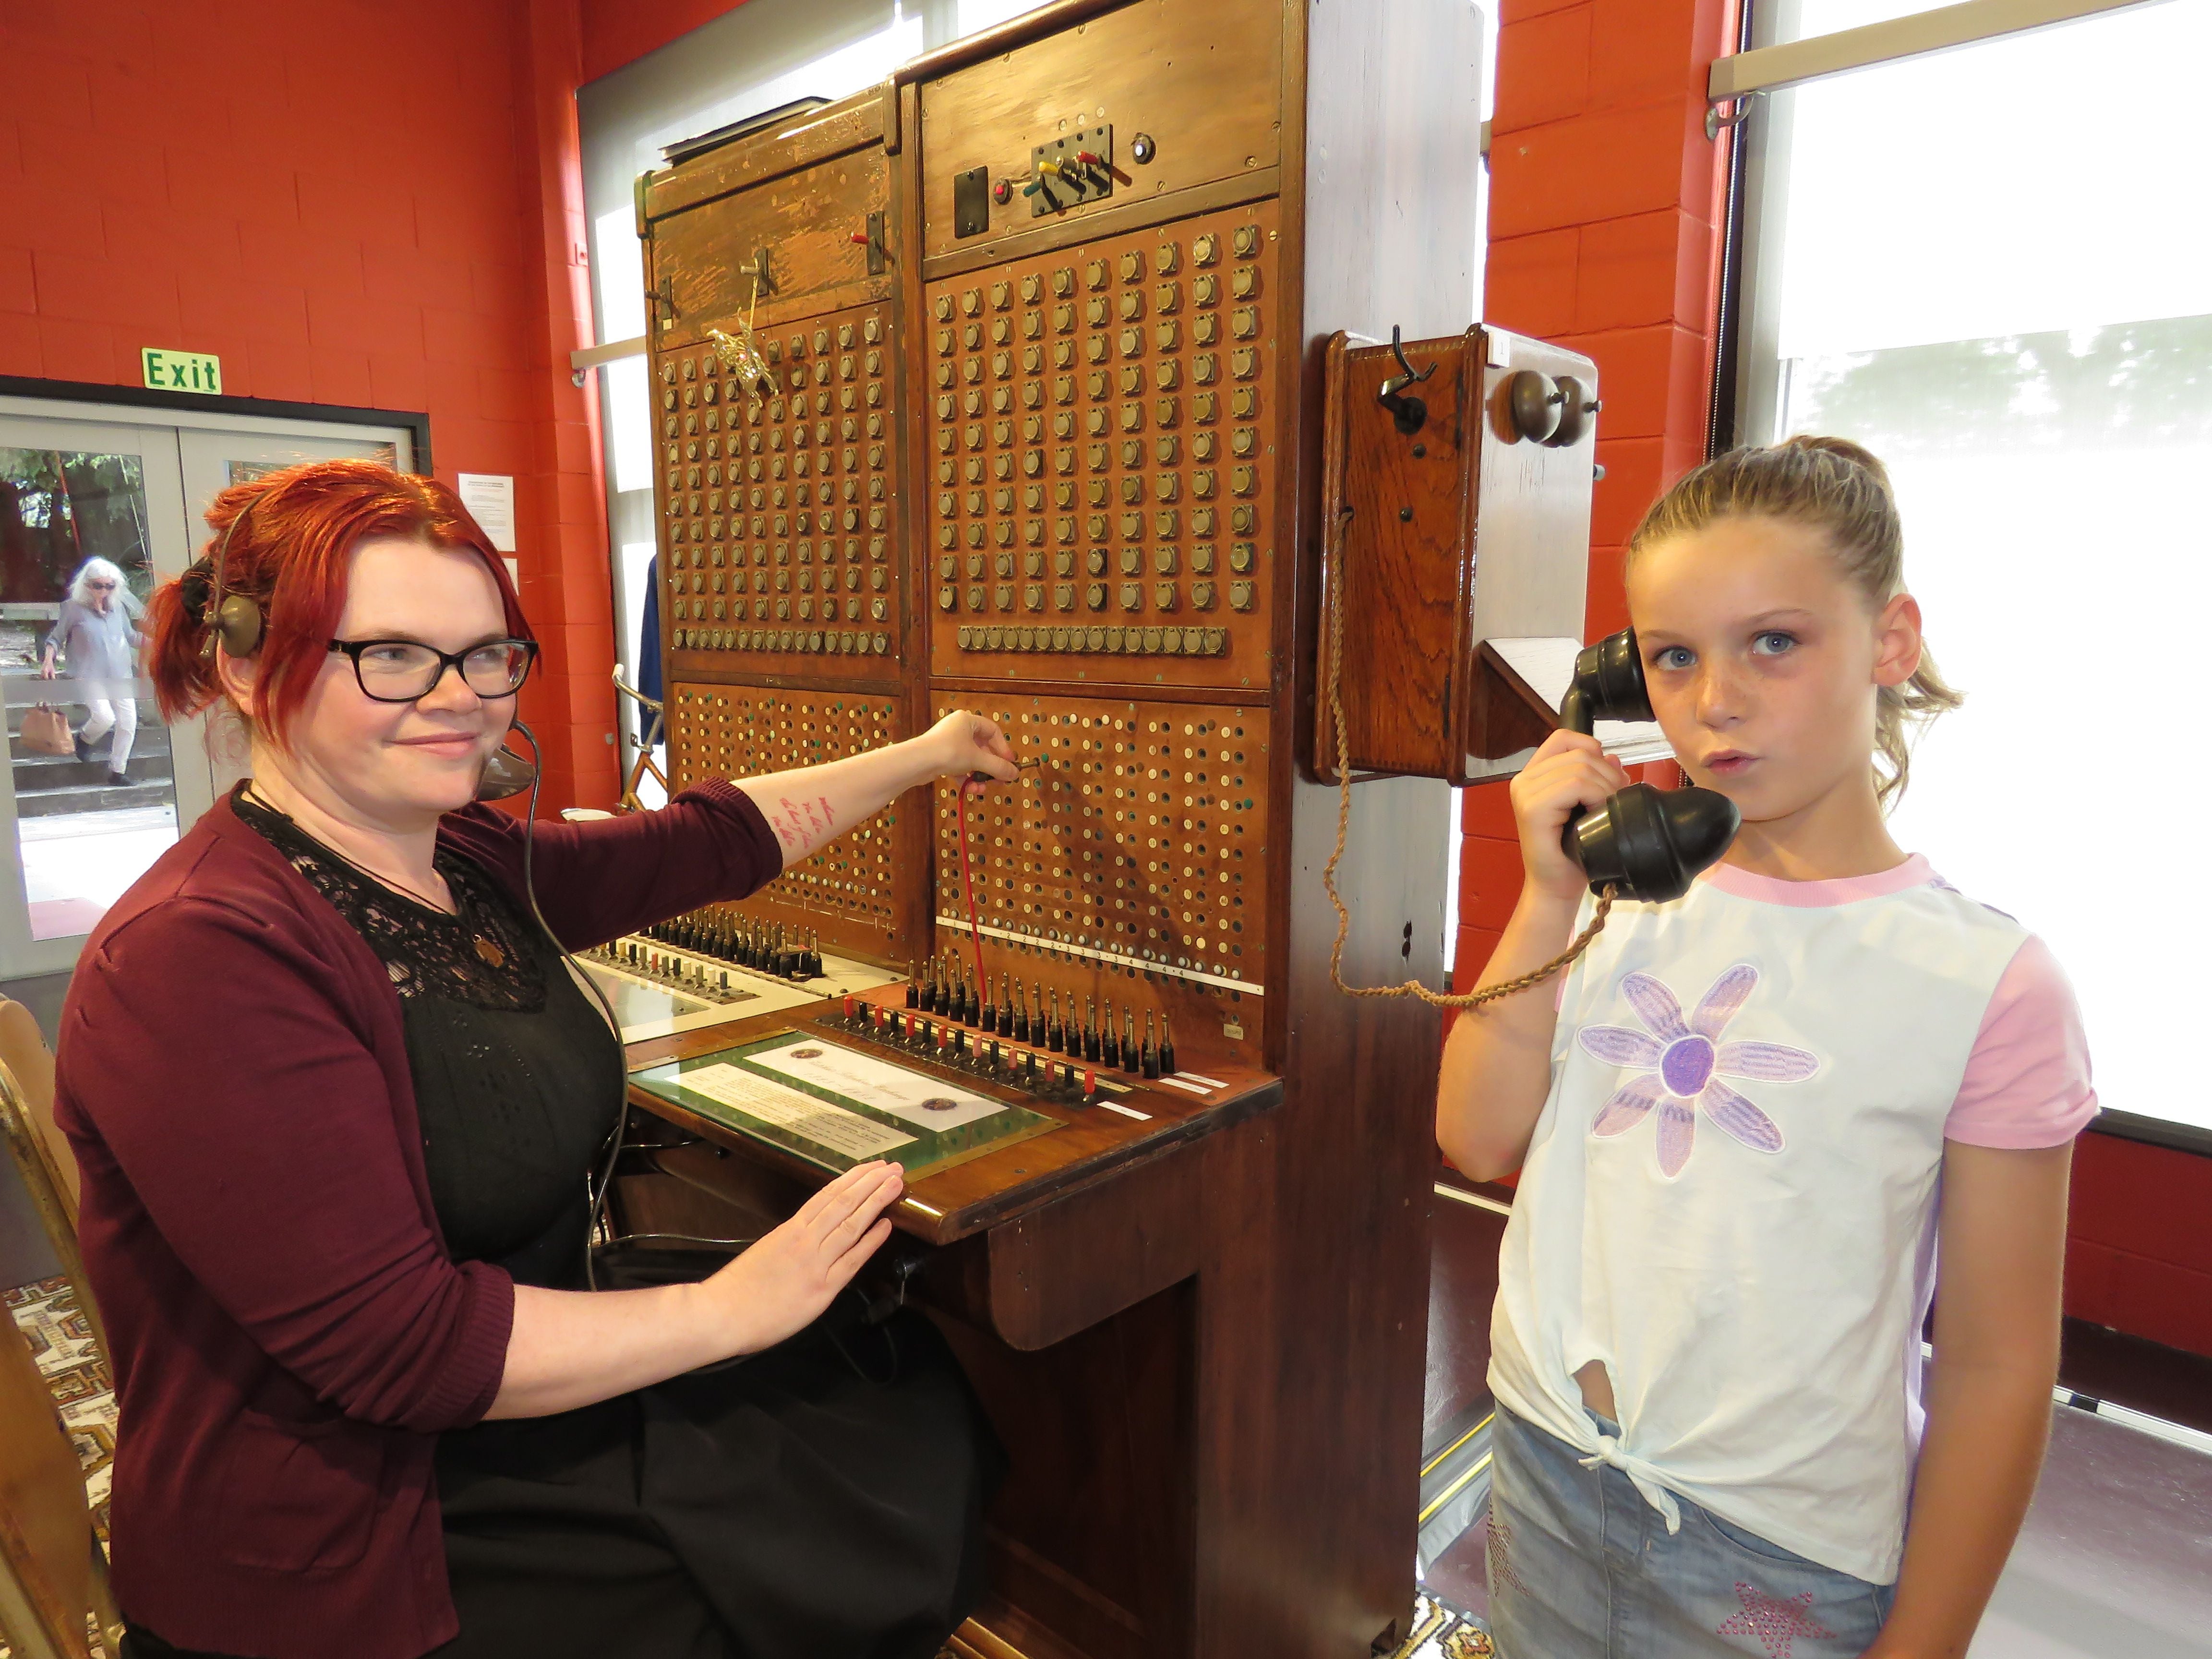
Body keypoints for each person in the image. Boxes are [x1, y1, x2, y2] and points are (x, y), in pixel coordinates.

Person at [54, 459, 1019, 1659]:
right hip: (356, 1536)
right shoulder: (200, 953)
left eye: (486, 654)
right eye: (392, 655)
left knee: (898, 1405)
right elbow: (401, 1346)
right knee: (828, 1529)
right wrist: (729, 1308)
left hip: (500, 1421)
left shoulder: (450, 850)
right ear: (251, 666)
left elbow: (699, 843)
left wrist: (925, 755)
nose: (459, 698)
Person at [1437, 437, 2094, 1658]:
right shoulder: (1613, 891)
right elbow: (1474, 1137)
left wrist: (1926, 1642)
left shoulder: (1986, 982)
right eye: (1674, 656)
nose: (1715, 700)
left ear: (1889, 642)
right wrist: (1542, 896)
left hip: (1777, 1543)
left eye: (1773, 642)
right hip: (1541, 1456)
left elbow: (2001, 1363)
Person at [39, 554, 145, 785]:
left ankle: (118, 771)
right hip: (89, 675)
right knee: (104, 717)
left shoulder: (118, 609)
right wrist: (49, 660)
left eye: (109, 586)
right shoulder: (73, 608)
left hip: (120, 674)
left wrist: (160, 643)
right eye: (98, 585)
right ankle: (85, 739)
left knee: (128, 721)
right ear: (87, 585)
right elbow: (56, 638)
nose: (104, 590)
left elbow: (130, 636)